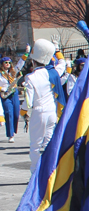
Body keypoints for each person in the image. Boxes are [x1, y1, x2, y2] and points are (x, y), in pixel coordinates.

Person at [20, 38, 66, 173]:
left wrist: (23, 112)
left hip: (38, 112)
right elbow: (63, 64)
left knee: (35, 145)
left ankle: (35, 172)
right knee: (48, 143)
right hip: (52, 112)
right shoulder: (53, 72)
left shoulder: (31, 77)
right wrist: (57, 49)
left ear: (33, 61)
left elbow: (28, 101)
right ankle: (50, 171)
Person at [0, 45, 30, 143]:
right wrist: (2, 89)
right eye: (6, 63)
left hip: (14, 93)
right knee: (8, 113)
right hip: (5, 95)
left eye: (9, 62)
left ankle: (14, 130)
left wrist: (26, 53)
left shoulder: (13, 72)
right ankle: (11, 134)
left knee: (16, 114)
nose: (8, 64)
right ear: (2, 64)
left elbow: (21, 63)